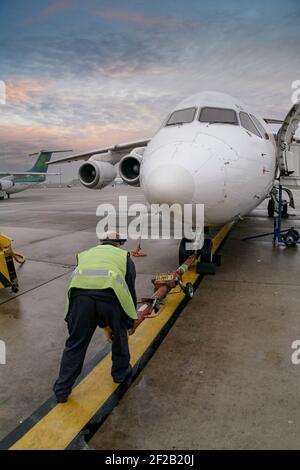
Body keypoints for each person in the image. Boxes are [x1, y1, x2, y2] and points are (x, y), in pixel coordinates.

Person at [53, 231, 138, 403]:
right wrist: (128, 321)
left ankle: (62, 390)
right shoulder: (124, 257)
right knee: (120, 334)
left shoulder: (85, 254)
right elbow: (129, 291)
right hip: (110, 297)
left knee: (76, 343)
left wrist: (100, 324)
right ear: (119, 243)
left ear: (100, 242)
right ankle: (120, 374)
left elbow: (88, 290)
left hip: (79, 300)